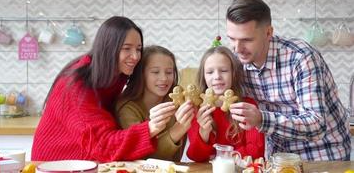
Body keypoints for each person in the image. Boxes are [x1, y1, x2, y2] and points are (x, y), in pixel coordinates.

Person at [31, 16, 176, 162]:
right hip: (56, 165)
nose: (135, 56)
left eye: (138, 49)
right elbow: (103, 145)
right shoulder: (76, 87)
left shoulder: (114, 75)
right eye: (127, 48)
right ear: (108, 47)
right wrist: (151, 127)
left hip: (85, 163)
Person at [226, 0, 351, 160]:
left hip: (323, 154)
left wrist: (261, 118)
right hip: (278, 157)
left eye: (246, 40)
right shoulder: (237, 62)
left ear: (268, 32)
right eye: (232, 39)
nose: (237, 48)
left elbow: (316, 125)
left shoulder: (302, 57)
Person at [116, 45, 195, 161]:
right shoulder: (126, 109)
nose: (163, 78)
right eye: (155, 72)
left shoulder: (179, 99)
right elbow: (142, 159)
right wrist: (178, 130)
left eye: (169, 72)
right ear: (141, 74)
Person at [187, 46, 265, 162]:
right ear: (203, 76)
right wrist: (204, 132)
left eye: (223, 70)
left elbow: (255, 153)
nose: (217, 76)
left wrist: (221, 158)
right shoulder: (197, 109)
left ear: (233, 74)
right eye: (210, 72)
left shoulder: (247, 106)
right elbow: (196, 157)